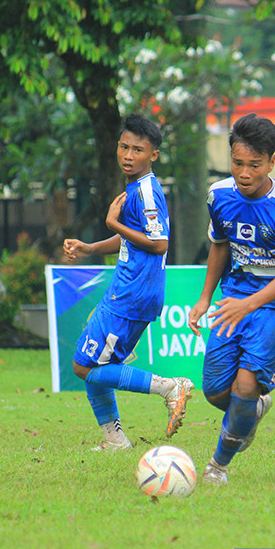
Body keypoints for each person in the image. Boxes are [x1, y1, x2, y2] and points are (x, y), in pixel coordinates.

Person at [187, 113, 275, 485]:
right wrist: (205, 297)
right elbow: (220, 245)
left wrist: (250, 304)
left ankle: (217, 466)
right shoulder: (219, 196)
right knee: (215, 391)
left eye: (254, 165)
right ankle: (251, 412)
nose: (244, 173)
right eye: (237, 163)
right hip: (234, 298)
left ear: (271, 162)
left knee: (244, 385)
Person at [63, 113, 193, 450]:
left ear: (153, 155)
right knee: (93, 362)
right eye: (124, 147)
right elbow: (133, 239)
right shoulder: (134, 186)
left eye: (138, 149)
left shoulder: (147, 192)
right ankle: (114, 439)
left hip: (134, 292)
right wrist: (90, 247)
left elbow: (159, 242)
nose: (128, 155)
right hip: (127, 289)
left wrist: (111, 222)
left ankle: (169, 387)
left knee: (84, 365)